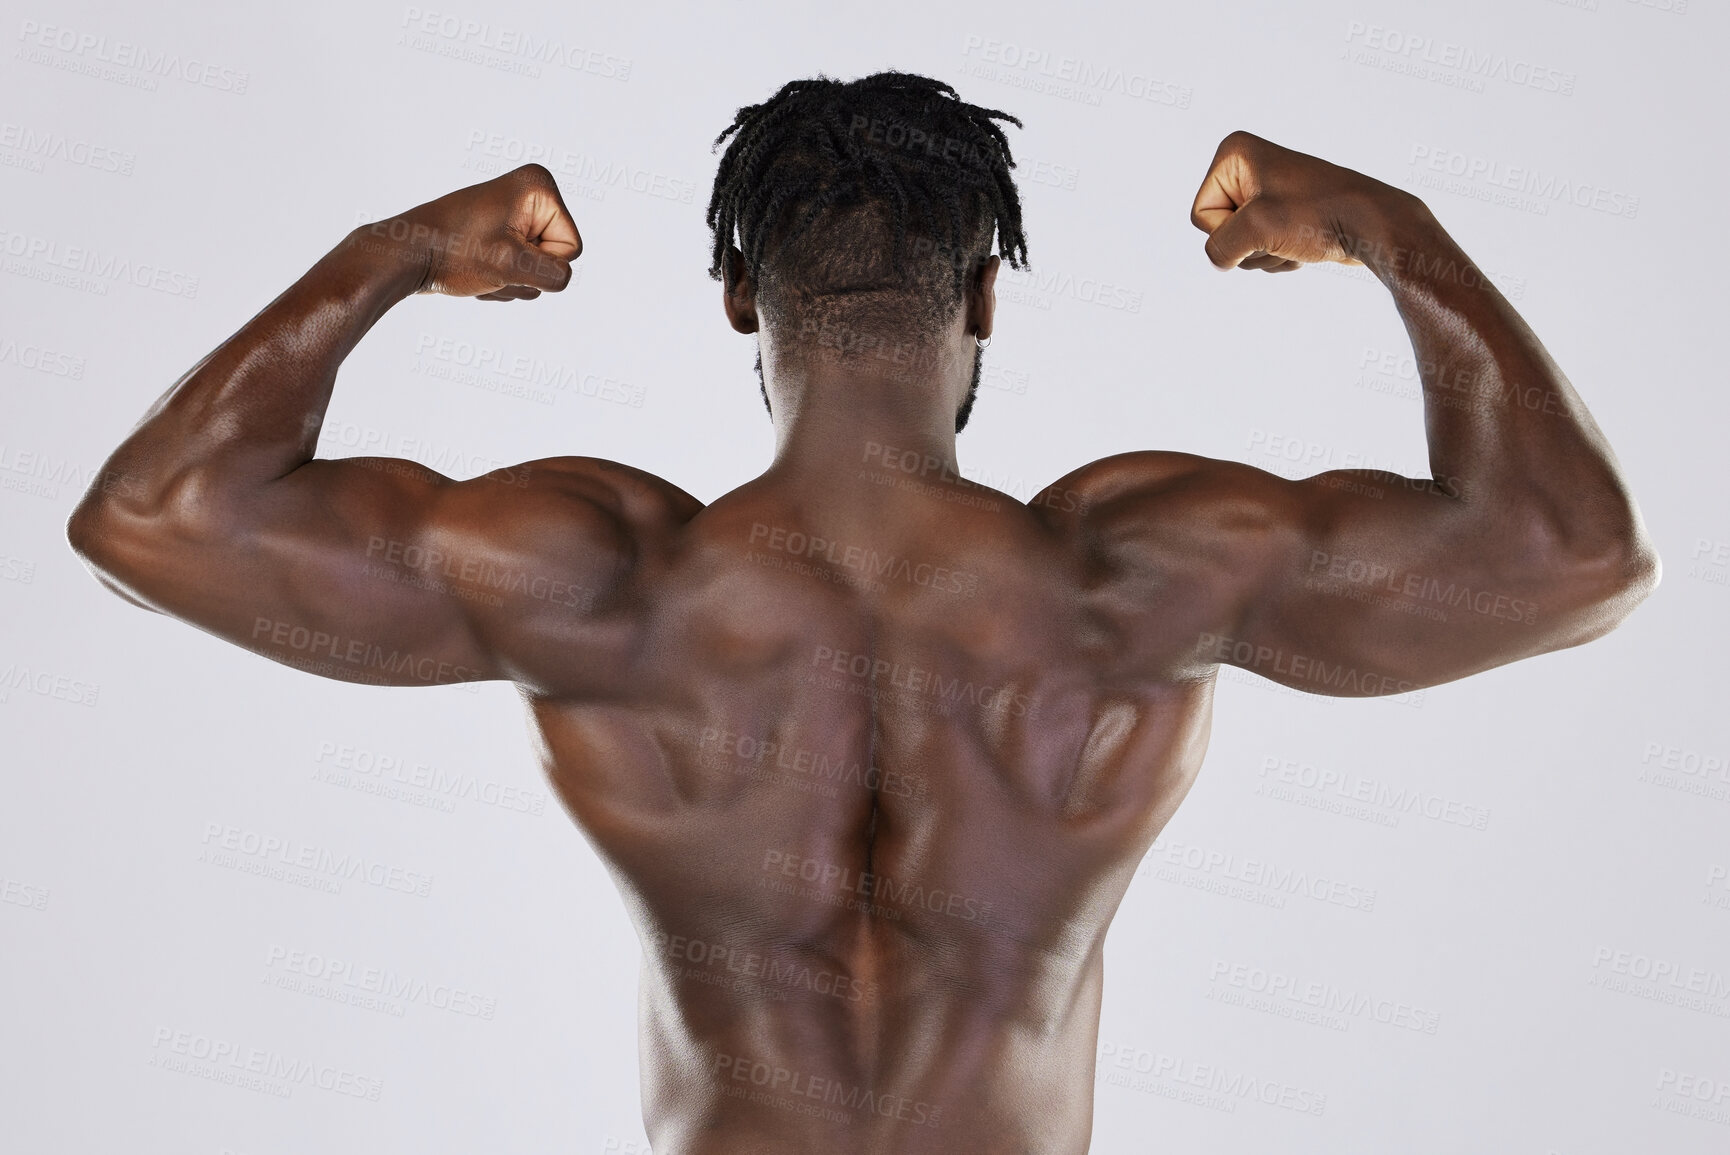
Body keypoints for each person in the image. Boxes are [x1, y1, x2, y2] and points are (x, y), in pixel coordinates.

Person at [66, 72, 1658, 1154]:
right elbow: (1568, 561)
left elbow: (152, 521)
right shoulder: (1137, 572)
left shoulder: (601, 578)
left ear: (741, 297)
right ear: (980, 295)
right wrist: (1389, 226)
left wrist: (394, 254)